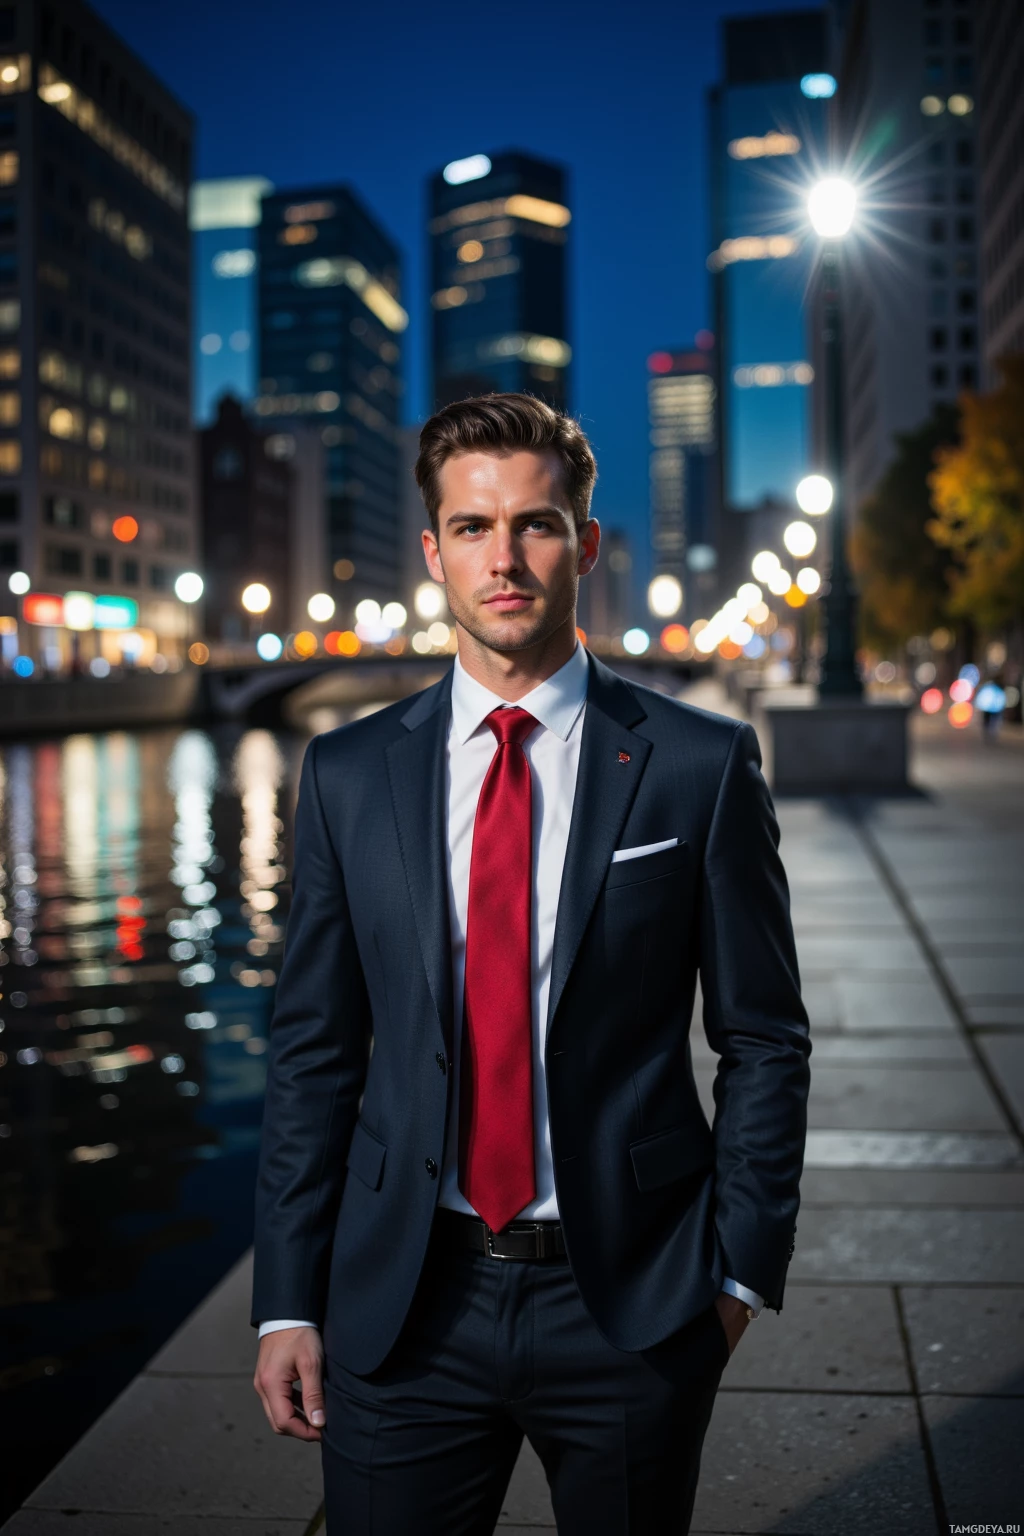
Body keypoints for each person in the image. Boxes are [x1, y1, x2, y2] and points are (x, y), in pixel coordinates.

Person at [252, 393, 810, 1534]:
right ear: (433, 553)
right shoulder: (350, 775)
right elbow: (312, 1054)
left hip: (632, 1304)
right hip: (403, 1302)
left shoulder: (698, 765)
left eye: (537, 524)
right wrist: (283, 1302)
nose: (503, 558)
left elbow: (761, 1037)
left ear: (586, 543)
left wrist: (737, 1277)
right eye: (471, 527)